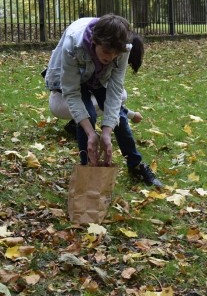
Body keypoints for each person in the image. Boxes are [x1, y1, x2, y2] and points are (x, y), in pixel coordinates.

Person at [44, 15, 163, 188]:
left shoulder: (122, 48)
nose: (112, 57)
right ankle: (87, 170)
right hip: (75, 80)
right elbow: (72, 91)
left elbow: (115, 91)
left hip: (99, 78)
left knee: (119, 116)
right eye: (107, 51)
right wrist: (91, 133)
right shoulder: (73, 44)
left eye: (116, 53)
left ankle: (135, 165)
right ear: (95, 41)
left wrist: (107, 132)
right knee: (88, 116)